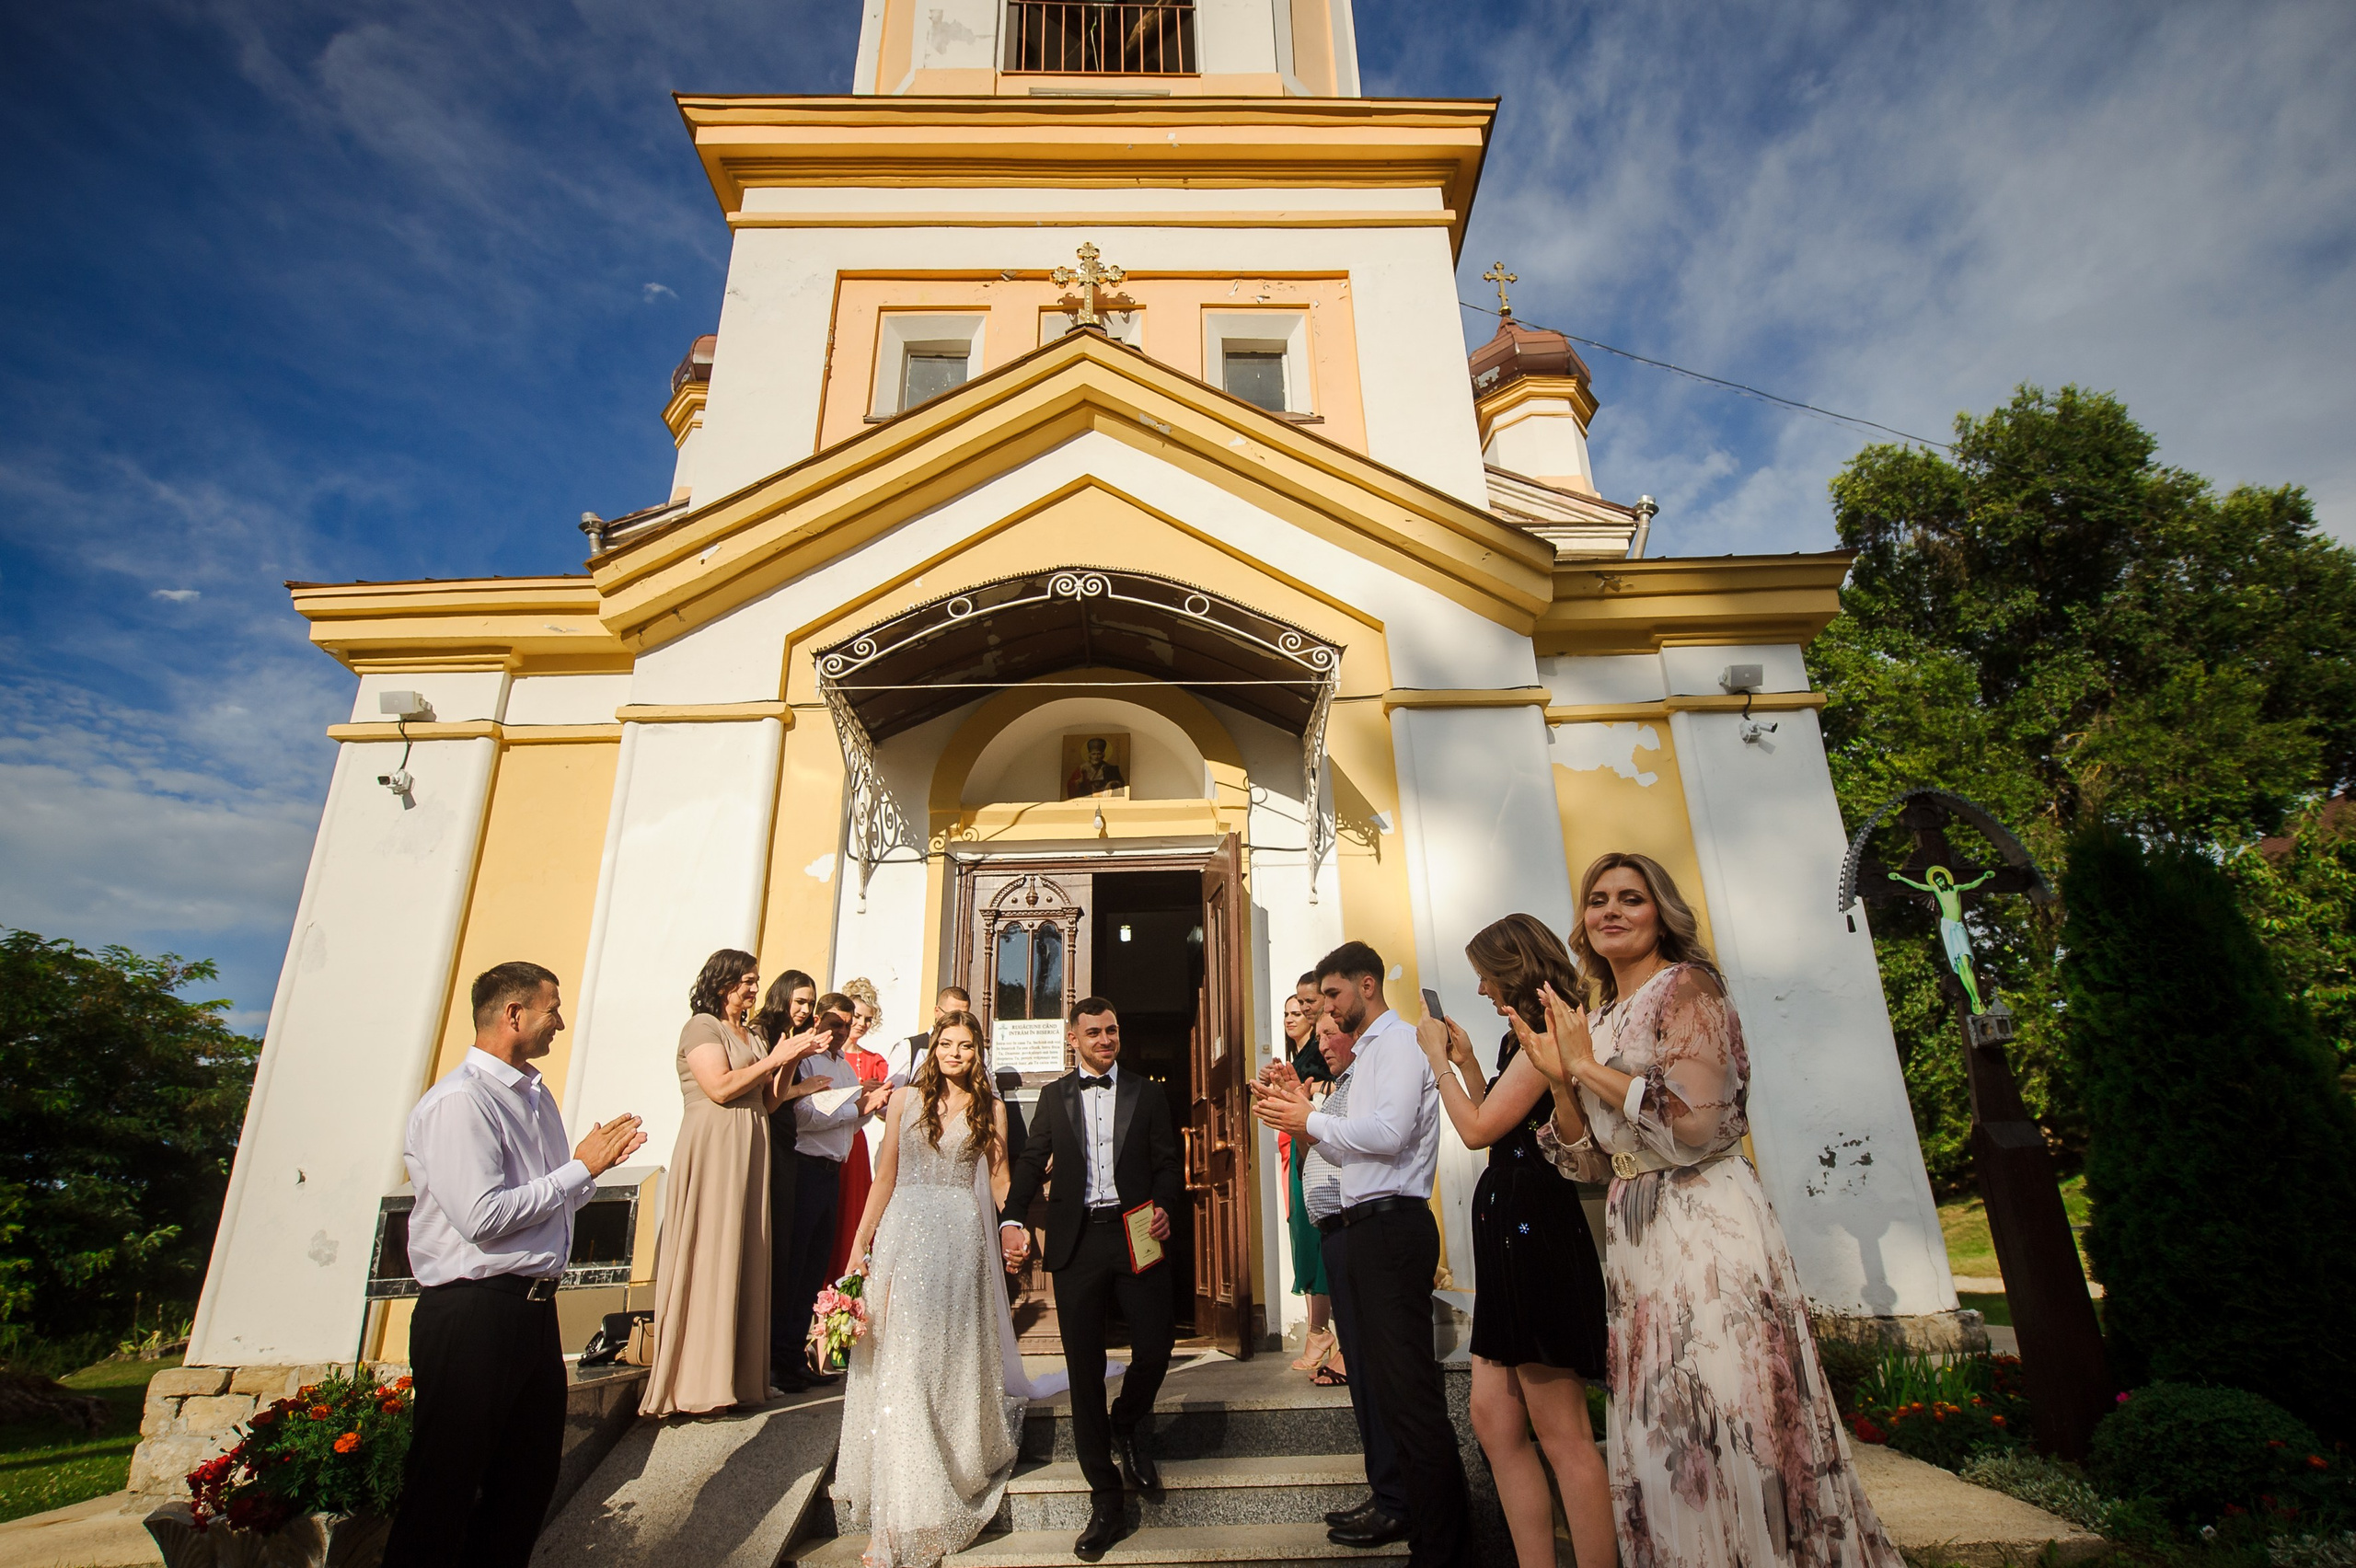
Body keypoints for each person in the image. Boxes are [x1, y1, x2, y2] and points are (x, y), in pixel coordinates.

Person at [1519, 853, 1901, 1568]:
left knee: (1727, 1413)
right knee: (1664, 1427)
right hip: (1636, 1230)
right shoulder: (1597, 1019)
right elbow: (1589, 1163)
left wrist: (1582, 1069)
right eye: (1597, 899)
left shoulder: (1687, 990)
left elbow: (1698, 1124)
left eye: (1630, 898)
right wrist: (1561, 1085)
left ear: (1661, 913)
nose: (1610, 910)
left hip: (1706, 1223)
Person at [384, 962, 646, 1568]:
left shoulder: (534, 1096)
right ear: (513, 1014)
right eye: (552, 1008)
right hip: (472, 1312)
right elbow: (481, 1217)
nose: (559, 1022)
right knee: (443, 1492)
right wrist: (579, 1169)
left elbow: (551, 1199)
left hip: (531, 1310)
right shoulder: (460, 1102)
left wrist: (592, 1170)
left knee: (523, 1488)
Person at [1250, 942, 1474, 1568]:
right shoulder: (1370, 1051)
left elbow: (1390, 1133)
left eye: (1333, 996)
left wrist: (1309, 1122)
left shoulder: (1400, 1044)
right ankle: (1402, 1507)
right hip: (1358, 1230)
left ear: (1367, 985)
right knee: (1377, 1387)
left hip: (1390, 1229)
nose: (1325, 1008)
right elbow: (1356, 1142)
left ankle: (1445, 1547)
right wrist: (1306, 1113)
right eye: (1321, 999)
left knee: (1410, 1394)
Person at [1415, 915, 1611, 1568]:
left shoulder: (1552, 1028)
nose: (1476, 987)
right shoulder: (1514, 1039)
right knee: (1496, 1423)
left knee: (1563, 1434)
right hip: (1508, 1228)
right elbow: (1500, 1117)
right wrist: (1469, 1063)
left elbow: (1476, 1130)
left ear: (1513, 967)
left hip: (1535, 1235)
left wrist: (1437, 1063)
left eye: (1484, 973)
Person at [836, 1012, 1024, 1568]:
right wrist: (858, 1248)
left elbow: (1001, 1180)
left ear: (977, 1053)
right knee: (902, 1368)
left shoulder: (992, 1110)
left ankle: (936, 1484)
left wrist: (1019, 1225)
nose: (955, 1053)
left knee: (945, 1366)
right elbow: (885, 1177)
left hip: (961, 1241)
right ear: (933, 1048)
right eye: (946, 1044)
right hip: (902, 1237)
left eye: (966, 1046)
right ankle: (893, 1526)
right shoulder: (903, 1102)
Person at [999, 998, 1183, 1559]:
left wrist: (1167, 1204)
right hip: (1078, 1240)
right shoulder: (1054, 1098)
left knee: (1156, 1347)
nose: (1107, 1039)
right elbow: (1032, 1161)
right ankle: (1105, 1497)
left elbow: (1168, 1161)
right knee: (1082, 1371)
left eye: (1113, 1031)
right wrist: (1011, 1215)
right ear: (1073, 1039)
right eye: (1095, 1032)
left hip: (1136, 1232)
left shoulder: (1147, 1092)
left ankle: (1128, 1420)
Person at [643, 950, 829, 1418]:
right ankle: (696, 1382)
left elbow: (768, 1102)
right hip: (714, 1145)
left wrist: (792, 1058)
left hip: (751, 1145)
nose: (753, 989)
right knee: (711, 1254)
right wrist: (777, 1058)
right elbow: (721, 1088)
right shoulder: (702, 1027)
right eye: (747, 981)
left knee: (745, 1256)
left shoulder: (749, 1034)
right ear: (722, 981)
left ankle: (739, 1379)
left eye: (755, 981)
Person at [1293, 1009, 1403, 1539]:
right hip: (1342, 1231)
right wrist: (1300, 1107)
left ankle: (1399, 1499)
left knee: (1380, 1378)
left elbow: (1367, 1140)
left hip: (1371, 1229)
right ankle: (1385, 1491)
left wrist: (1304, 1116)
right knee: (1362, 1376)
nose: (1322, 1045)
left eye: (1327, 1033)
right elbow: (1334, 1144)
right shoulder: (1343, 1082)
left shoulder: (1374, 1073)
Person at [780, 993, 893, 1388]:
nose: (841, 1032)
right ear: (816, 1021)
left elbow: (846, 1125)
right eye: (834, 1024)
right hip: (806, 1168)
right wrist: (858, 1108)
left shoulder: (845, 1067)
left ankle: (801, 1357)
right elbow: (805, 1116)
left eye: (846, 1025)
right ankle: (782, 1357)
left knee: (816, 1265)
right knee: (796, 1267)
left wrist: (868, 1107)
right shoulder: (806, 1060)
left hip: (833, 1170)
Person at [754, 968, 819, 1388]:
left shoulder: (794, 1039)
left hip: (789, 1145)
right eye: (799, 1001)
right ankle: (772, 1358)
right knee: (777, 1253)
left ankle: (789, 1355)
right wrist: (803, 1084)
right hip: (769, 1143)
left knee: (795, 1258)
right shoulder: (765, 1033)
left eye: (810, 1003)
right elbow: (771, 1097)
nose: (805, 1009)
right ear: (781, 997)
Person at [1277, 982, 1339, 1377]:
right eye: (1289, 1010)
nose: (1292, 1015)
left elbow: (1331, 1091)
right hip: (1293, 1148)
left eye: (1301, 1007)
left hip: (1313, 1146)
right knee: (1301, 1232)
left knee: (1313, 1234)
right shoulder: (1298, 1056)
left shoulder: (1322, 1051)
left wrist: (1301, 1093)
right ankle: (1317, 1332)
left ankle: (1319, 1332)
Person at [831, 980, 893, 1278]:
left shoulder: (874, 1061)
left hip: (855, 1145)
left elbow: (881, 1112)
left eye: (868, 1019)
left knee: (851, 1215)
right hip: (827, 1141)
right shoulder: (824, 1055)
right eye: (857, 1017)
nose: (862, 1024)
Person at [884, 986, 970, 1085]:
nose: (957, 1021)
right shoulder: (909, 1048)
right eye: (951, 1015)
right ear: (936, 1011)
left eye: (964, 1016)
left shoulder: (976, 1051)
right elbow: (891, 1093)